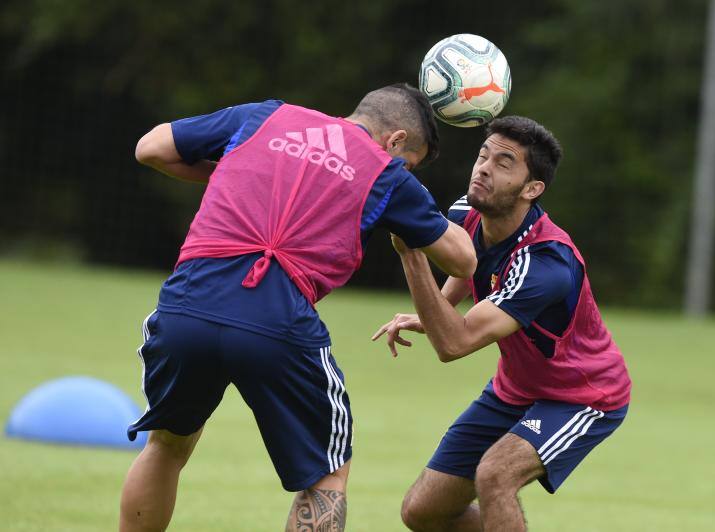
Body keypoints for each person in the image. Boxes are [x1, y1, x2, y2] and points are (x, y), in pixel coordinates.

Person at [119, 83, 477, 532]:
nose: (403, 169)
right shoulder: (386, 172)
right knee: (327, 472)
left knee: (167, 445)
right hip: (275, 318)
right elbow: (463, 259)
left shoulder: (266, 116)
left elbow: (150, 148)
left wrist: (249, 170)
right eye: (409, 163)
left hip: (187, 305)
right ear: (396, 141)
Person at [373, 116, 632, 531]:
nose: (484, 168)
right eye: (483, 155)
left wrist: (410, 254)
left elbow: (453, 345)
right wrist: (436, 308)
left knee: (496, 476)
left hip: (581, 396)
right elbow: (466, 261)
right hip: (514, 389)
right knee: (423, 512)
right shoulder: (469, 211)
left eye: (504, 162)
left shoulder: (546, 264)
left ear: (532, 189)